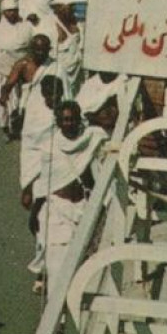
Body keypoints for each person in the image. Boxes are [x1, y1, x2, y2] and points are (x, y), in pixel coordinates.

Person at [30, 101, 107, 297]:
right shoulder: (50, 148)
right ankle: (57, 318)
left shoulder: (90, 139)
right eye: (65, 120)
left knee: (79, 267)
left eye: (73, 119)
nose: (70, 123)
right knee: (57, 270)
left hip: (81, 208)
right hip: (57, 211)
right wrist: (34, 214)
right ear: (58, 122)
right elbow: (44, 185)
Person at [0, 0, 34, 135]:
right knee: (1, 102)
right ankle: (4, 128)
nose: (12, 14)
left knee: (17, 102)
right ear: (3, 13)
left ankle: (15, 125)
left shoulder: (26, 27)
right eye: (9, 11)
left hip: (18, 75)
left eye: (14, 11)